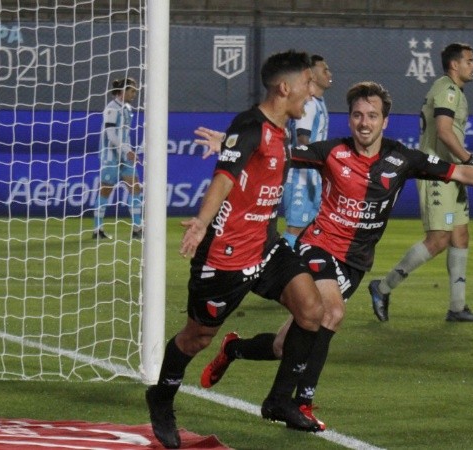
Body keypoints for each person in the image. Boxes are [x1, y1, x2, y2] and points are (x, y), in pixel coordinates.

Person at [193, 81, 473, 430]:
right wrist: (227, 142)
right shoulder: (332, 151)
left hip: (355, 263)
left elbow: (461, 172)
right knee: (332, 311)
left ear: (385, 121)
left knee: (285, 344)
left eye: (372, 116)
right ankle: (295, 401)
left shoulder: (402, 158)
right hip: (317, 246)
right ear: (349, 119)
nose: (364, 123)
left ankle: (235, 349)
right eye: (357, 115)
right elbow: (273, 151)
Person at [144, 50, 326, 449]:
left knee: (314, 311)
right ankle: (161, 398)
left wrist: (228, 142)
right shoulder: (251, 125)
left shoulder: (278, 129)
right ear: (285, 87)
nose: (311, 94)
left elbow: (248, 161)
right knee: (197, 336)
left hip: (265, 245)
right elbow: (224, 177)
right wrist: (203, 222)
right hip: (225, 254)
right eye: (307, 84)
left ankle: (280, 401)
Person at [368, 42, 473, 323]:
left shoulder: (453, 91)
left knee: (460, 236)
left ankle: (457, 307)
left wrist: (467, 169)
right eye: (469, 61)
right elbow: (445, 133)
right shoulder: (447, 90)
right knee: (438, 240)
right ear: (454, 65)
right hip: (437, 173)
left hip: (453, 173)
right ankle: (383, 286)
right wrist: (472, 163)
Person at [282, 54, 332, 247]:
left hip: (312, 175)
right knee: (296, 230)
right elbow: (303, 139)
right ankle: (276, 269)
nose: (329, 73)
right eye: (324, 69)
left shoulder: (317, 102)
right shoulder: (309, 104)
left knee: (310, 230)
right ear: (311, 74)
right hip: (300, 178)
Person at [93, 76, 143, 240]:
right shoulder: (111, 108)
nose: (134, 94)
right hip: (111, 157)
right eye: (132, 91)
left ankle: (137, 228)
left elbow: (124, 133)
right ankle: (97, 229)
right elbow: (111, 135)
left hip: (125, 156)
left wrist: (129, 150)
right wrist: (126, 149)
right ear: (123, 91)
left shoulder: (127, 108)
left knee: (136, 189)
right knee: (105, 191)